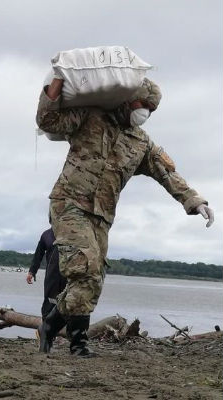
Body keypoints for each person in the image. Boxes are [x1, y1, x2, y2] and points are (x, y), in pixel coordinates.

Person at [36, 76, 214, 356]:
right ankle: (76, 341)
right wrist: (55, 85)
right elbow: (48, 121)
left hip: (102, 216)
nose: (146, 112)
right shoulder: (92, 117)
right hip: (69, 204)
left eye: (152, 110)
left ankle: (54, 327)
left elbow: (166, 172)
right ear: (129, 99)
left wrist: (193, 200)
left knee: (93, 281)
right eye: (144, 104)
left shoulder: (141, 143)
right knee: (85, 270)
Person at [27, 226, 66, 320]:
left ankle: (66, 331)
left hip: (69, 277)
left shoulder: (73, 232)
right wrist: (32, 271)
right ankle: (46, 330)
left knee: (68, 304)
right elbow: (38, 254)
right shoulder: (46, 235)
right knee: (49, 304)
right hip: (52, 276)